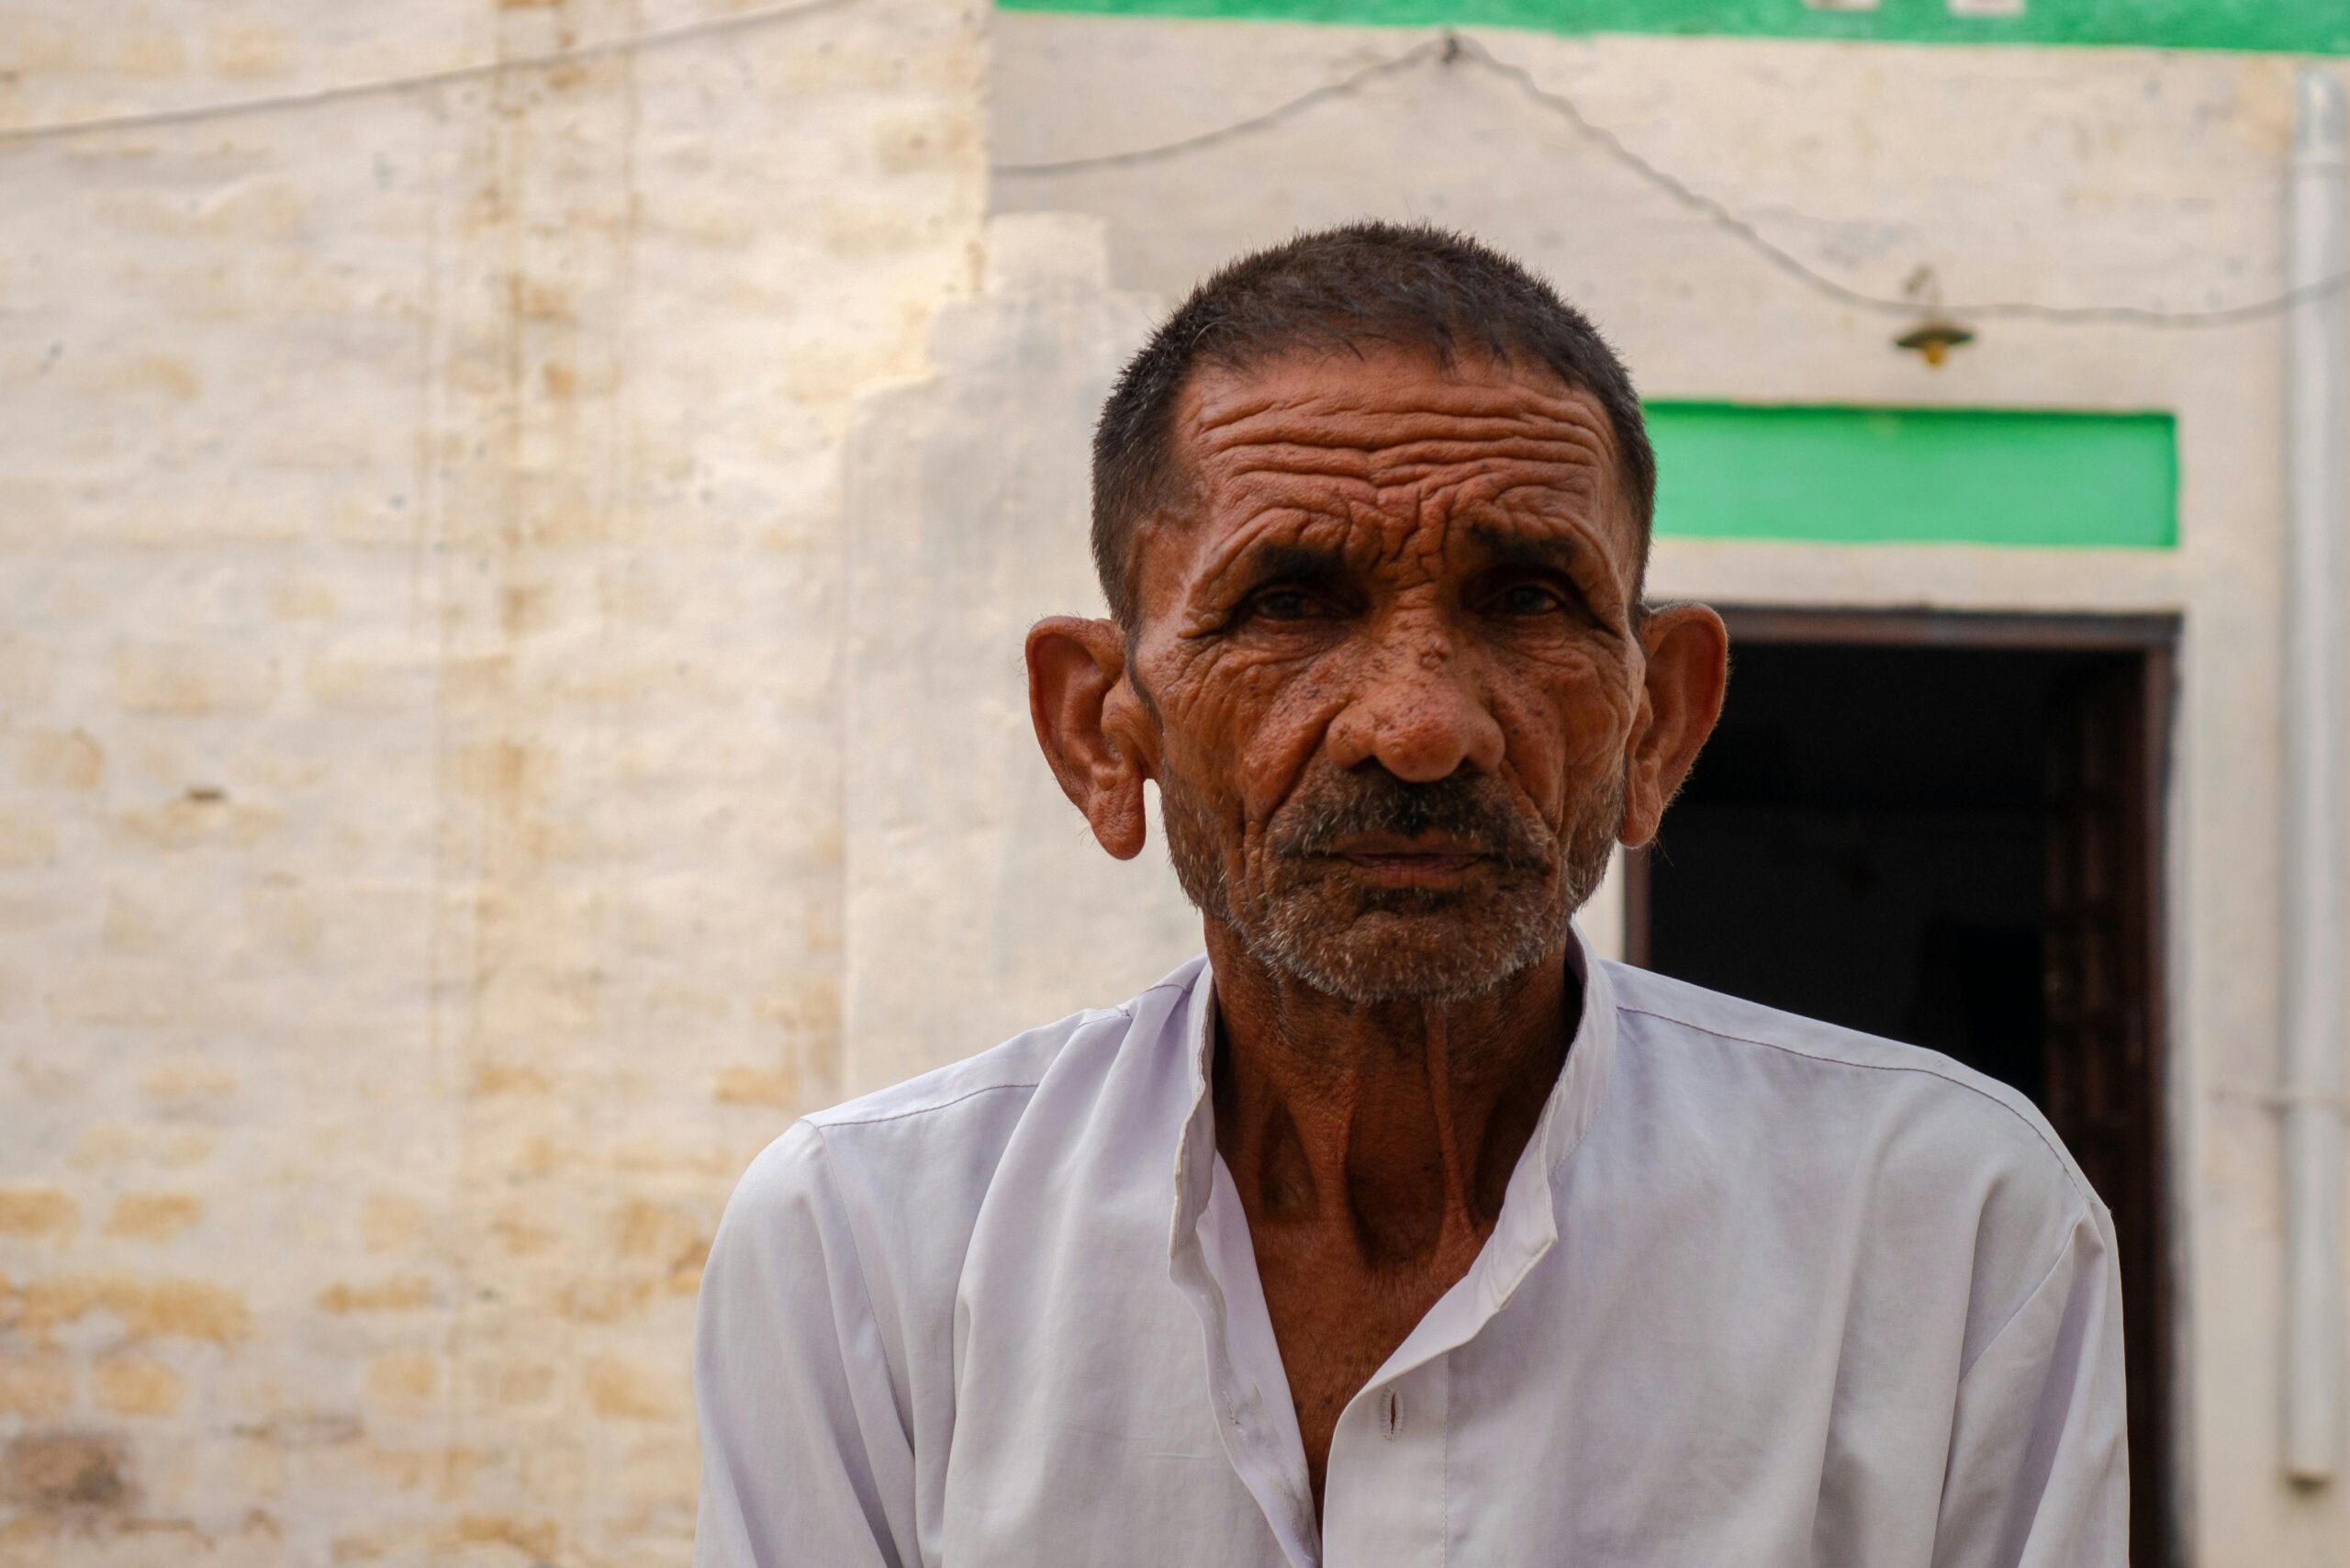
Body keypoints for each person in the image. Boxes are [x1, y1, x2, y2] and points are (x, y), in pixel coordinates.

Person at [692, 222, 2127, 1567]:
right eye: (1289, 603)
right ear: (1098, 729)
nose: (1419, 725)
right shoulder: (868, 1243)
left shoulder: (1943, 1226)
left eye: (1526, 602)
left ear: (1659, 724)